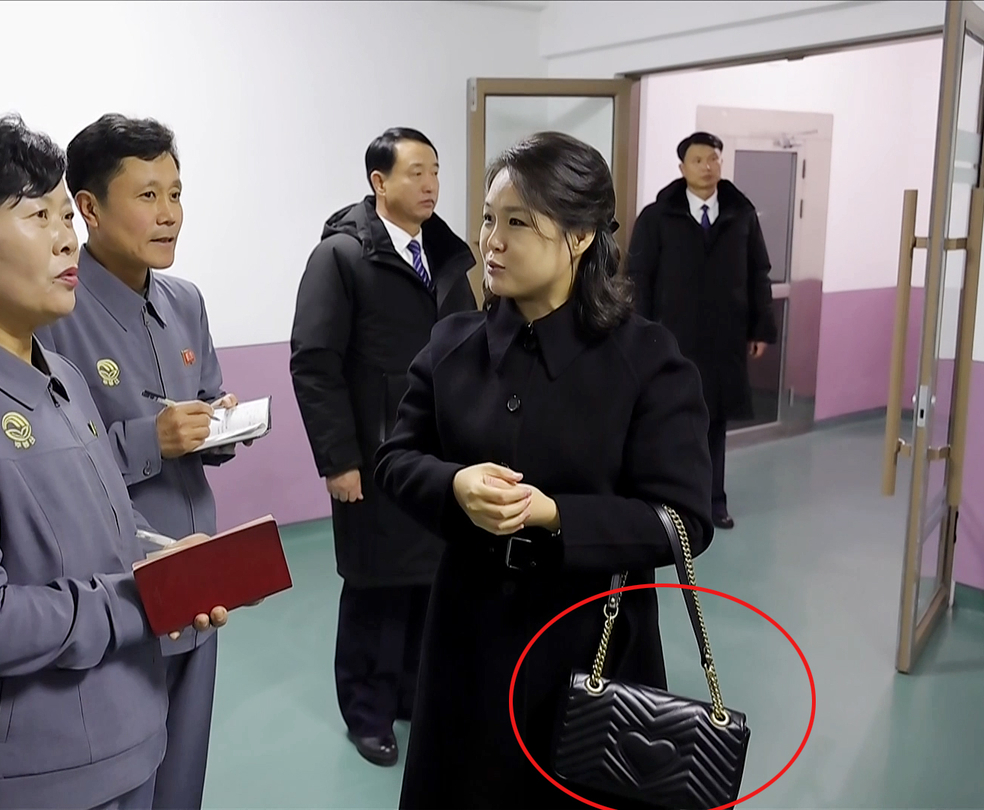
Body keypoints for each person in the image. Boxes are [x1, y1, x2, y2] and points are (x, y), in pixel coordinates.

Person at [0, 115, 236, 810]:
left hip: (132, 735)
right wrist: (139, 601)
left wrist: (168, 565)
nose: (65, 235)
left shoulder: (60, 374)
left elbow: (101, 538)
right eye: (36, 216)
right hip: (36, 776)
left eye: (65, 213)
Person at [373, 131, 715, 809]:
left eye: (518, 223)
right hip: (465, 648)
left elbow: (683, 520)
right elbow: (395, 458)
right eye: (489, 220)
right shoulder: (452, 345)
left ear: (581, 236)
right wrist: (454, 484)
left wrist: (557, 515)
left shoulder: (647, 360)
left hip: (591, 648)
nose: (491, 241)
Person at [36, 113, 238, 810]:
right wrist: (152, 439)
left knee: (186, 756)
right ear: (86, 208)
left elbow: (207, 396)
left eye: (176, 194)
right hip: (113, 577)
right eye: (148, 196)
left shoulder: (186, 301)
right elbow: (51, 469)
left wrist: (223, 424)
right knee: (126, 768)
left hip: (197, 558)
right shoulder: (53, 313)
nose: (170, 215)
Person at [289, 127, 478, 766]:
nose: (429, 185)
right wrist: (338, 459)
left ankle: (412, 698)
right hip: (372, 459)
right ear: (379, 182)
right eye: (415, 172)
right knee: (376, 588)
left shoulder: (449, 253)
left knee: (430, 584)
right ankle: (367, 714)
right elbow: (314, 362)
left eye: (435, 172)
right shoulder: (342, 258)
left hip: (440, 454)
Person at [626, 131, 776, 530]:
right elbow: (638, 277)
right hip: (672, 338)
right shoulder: (657, 217)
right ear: (682, 168)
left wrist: (759, 328)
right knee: (670, 421)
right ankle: (670, 500)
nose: (707, 167)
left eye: (713, 159)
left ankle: (715, 501)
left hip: (723, 339)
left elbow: (758, 273)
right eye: (698, 160)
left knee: (715, 424)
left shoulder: (740, 215)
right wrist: (639, 332)